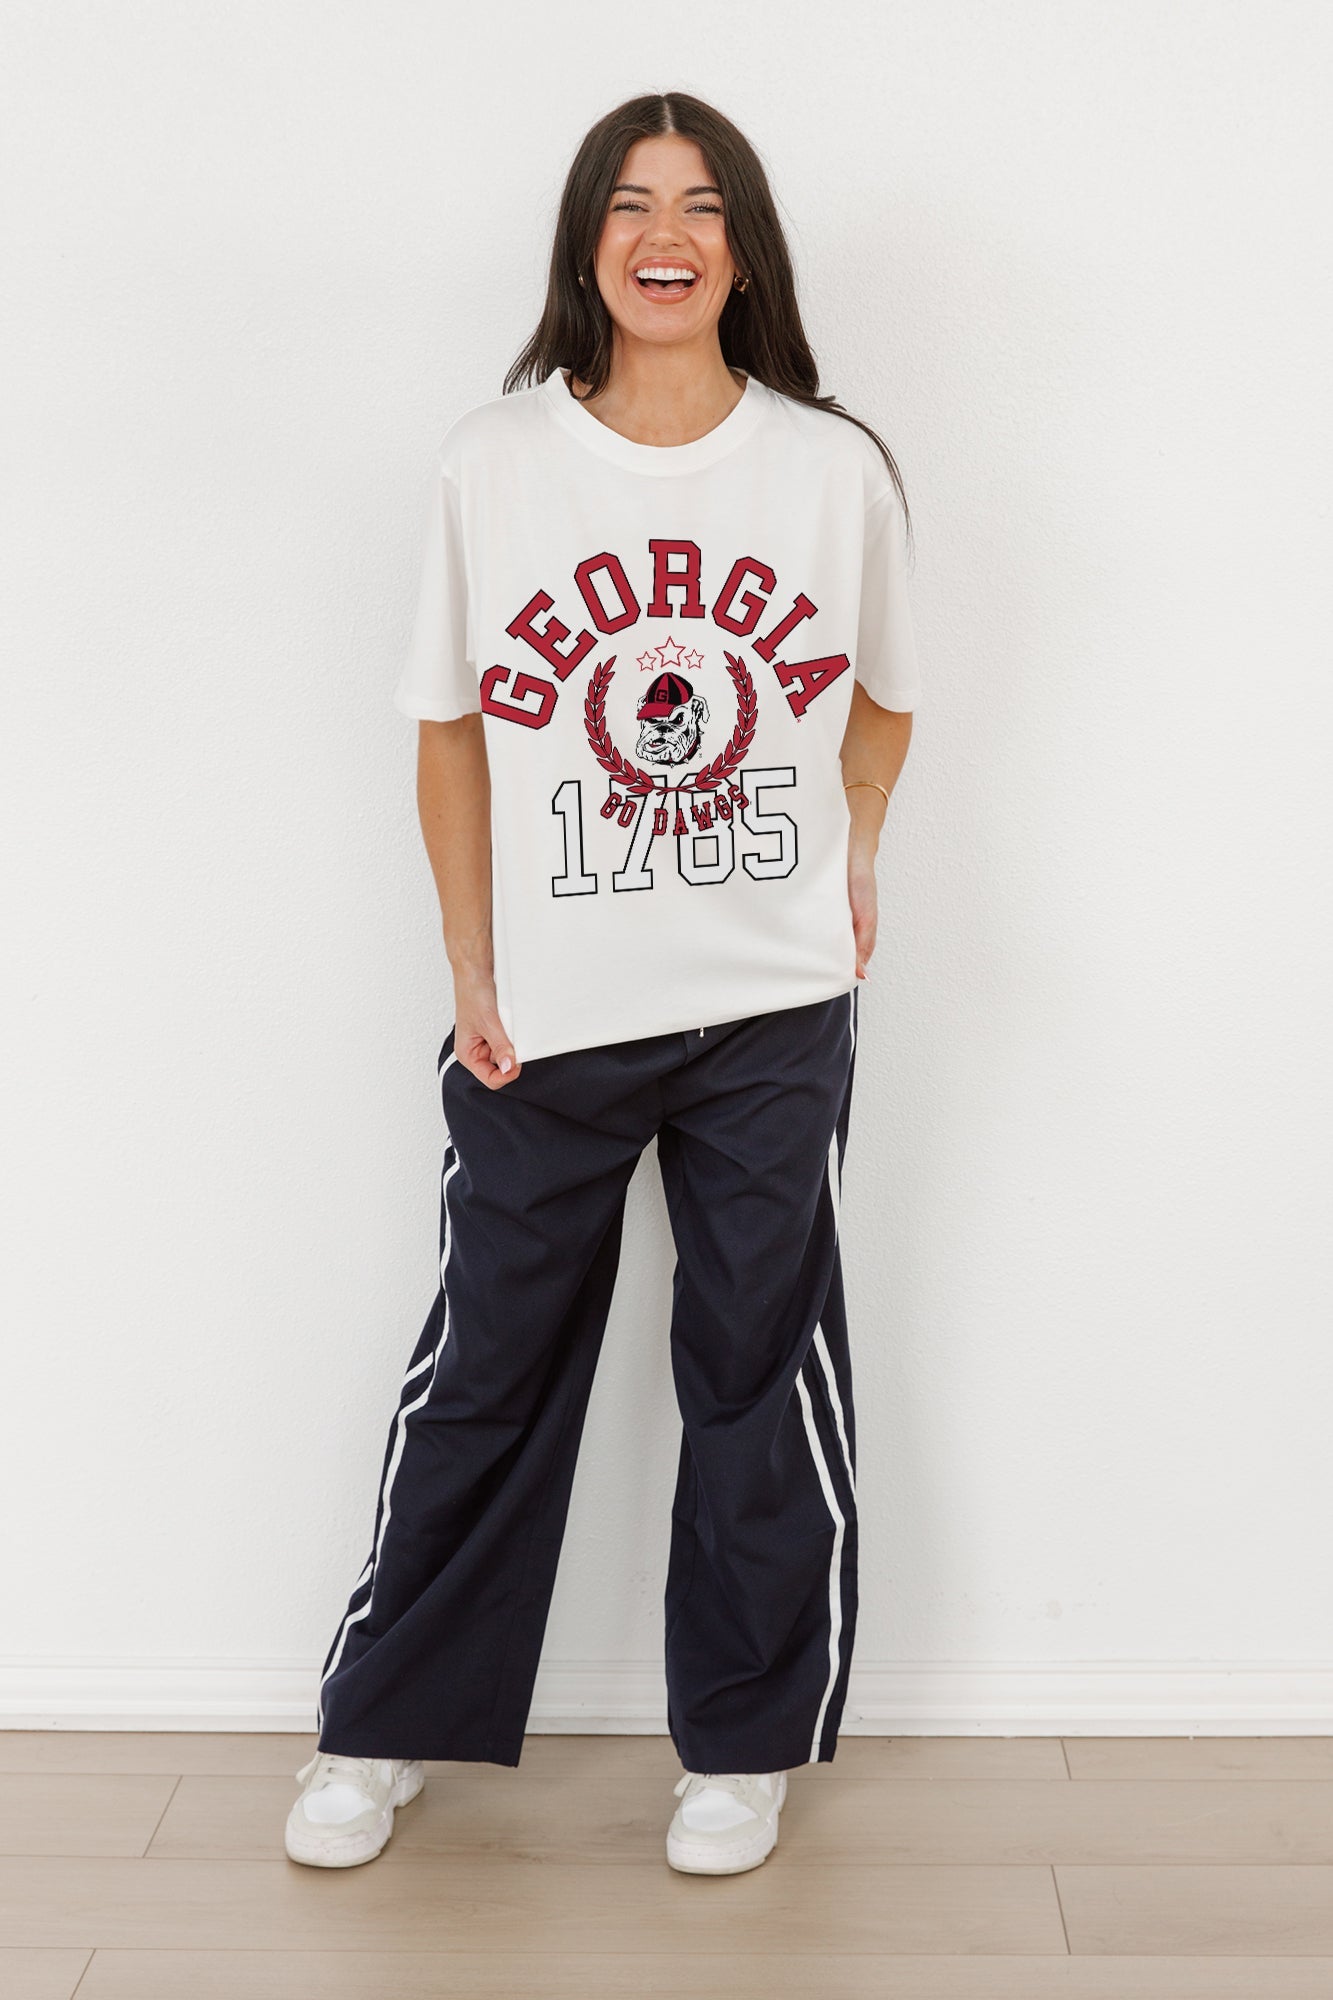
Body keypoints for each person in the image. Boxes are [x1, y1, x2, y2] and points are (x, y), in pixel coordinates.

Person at [285, 89, 920, 1879]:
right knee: (488, 1360)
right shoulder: (494, 460)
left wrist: (855, 851)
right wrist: (471, 963)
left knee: (757, 1364)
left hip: (771, 1002)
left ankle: (742, 1748)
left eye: (703, 206)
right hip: (547, 1009)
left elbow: (884, 689)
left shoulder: (829, 469)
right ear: (586, 244)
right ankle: (384, 1723)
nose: (666, 235)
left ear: (744, 251)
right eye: (632, 203)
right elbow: (450, 728)